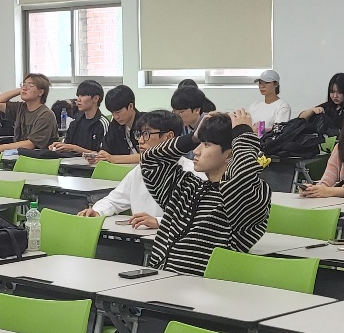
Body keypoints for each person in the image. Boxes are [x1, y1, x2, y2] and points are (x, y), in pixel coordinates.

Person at [139, 109, 270, 274]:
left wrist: (243, 136)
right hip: (159, 280)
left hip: (202, 286)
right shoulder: (187, 187)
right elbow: (150, 160)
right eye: (199, 143)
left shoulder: (247, 195)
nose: (196, 151)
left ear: (229, 155)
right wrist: (192, 137)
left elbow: (241, 181)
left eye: (206, 144)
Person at [79, 110, 175, 229]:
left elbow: (192, 217)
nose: (140, 141)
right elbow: (114, 200)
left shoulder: (189, 173)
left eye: (147, 134)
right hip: (139, 235)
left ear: (168, 137)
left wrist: (158, 221)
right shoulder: (140, 170)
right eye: (139, 134)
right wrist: (97, 211)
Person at [0, 73, 58, 153]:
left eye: (30, 86)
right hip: (18, 155)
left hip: (39, 157)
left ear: (40, 92)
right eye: (23, 85)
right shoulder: (20, 108)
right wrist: (21, 90)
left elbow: (30, 144)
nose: (25, 88)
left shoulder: (46, 115)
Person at [49, 80, 106, 154]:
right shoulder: (75, 123)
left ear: (96, 98)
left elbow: (103, 155)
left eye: (83, 95)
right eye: (78, 95)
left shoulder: (102, 123)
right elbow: (67, 145)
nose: (78, 99)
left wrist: (74, 148)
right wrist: (58, 147)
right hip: (71, 160)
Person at [97, 84, 140, 163]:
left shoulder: (147, 124)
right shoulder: (115, 125)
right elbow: (106, 148)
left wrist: (114, 159)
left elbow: (148, 155)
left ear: (130, 106)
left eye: (118, 112)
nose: (115, 117)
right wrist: (101, 155)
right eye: (112, 113)